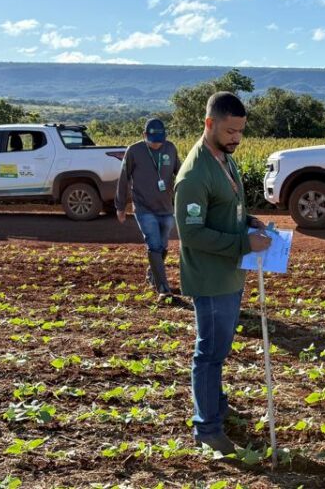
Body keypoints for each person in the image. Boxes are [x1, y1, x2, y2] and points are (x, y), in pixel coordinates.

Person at [174, 92, 272, 456]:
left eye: (241, 132)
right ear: (209, 124)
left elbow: (227, 208)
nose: (236, 138)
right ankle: (207, 427)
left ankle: (215, 404)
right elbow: (192, 233)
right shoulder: (195, 174)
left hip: (230, 274)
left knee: (219, 349)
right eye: (231, 131)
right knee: (210, 353)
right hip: (211, 278)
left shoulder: (224, 161)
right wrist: (245, 245)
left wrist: (247, 221)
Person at [115, 118, 182, 300]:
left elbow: (181, 173)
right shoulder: (134, 151)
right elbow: (123, 178)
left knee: (163, 246)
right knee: (154, 245)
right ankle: (163, 289)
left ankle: (152, 275)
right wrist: (120, 206)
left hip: (166, 207)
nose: (157, 144)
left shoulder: (170, 148)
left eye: (160, 139)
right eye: (153, 140)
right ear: (144, 135)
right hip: (144, 208)